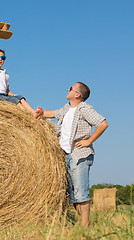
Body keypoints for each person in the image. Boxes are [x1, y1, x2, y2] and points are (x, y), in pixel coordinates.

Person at [43, 82, 108, 228]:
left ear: (77, 94)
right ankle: (84, 225)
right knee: (72, 197)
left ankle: (84, 229)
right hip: (66, 155)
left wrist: (89, 140)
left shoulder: (84, 109)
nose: (68, 89)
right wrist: (39, 113)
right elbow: (53, 113)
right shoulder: (67, 108)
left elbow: (103, 123)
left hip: (79, 155)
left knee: (81, 194)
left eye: (71, 88)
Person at [0, 37, 43, 119]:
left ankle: (33, 112)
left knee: (20, 98)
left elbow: (7, 89)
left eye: (3, 58)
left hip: (4, 95)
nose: (0, 59)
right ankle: (27, 116)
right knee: (15, 102)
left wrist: (13, 95)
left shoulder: (5, 73)